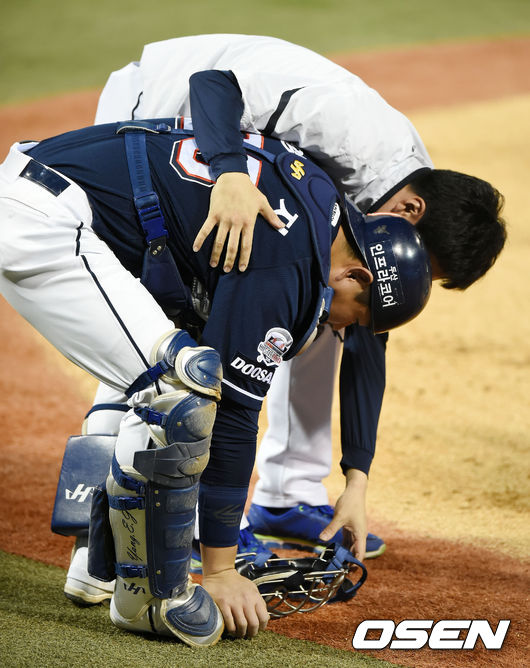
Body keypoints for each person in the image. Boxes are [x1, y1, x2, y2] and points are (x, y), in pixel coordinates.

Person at [0, 117, 432, 644]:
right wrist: (222, 570)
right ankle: (151, 600)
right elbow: (235, 417)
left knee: (171, 367)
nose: (340, 329)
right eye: (355, 318)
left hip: (51, 189)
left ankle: (100, 565)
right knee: (186, 389)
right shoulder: (293, 266)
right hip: (45, 219)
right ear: (355, 276)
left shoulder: (320, 202)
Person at [84, 34, 506, 566]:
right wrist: (230, 173)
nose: (411, 273)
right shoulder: (351, 129)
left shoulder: (404, 201)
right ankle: (173, 512)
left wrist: (357, 477)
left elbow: (368, 335)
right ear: (410, 211)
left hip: (228, 137)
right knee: (204, 299)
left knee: (331, 310)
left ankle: (289, 492)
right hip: (167, 104)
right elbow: (213, 85)